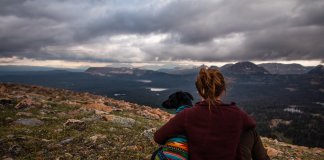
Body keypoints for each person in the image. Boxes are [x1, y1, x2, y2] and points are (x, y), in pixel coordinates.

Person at [154, 67, 270, 160]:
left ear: (200, 91)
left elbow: (158, 137)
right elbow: (251, 124)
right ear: (223, 89)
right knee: (250, 131)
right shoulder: (238, 114)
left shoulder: (187, 115)